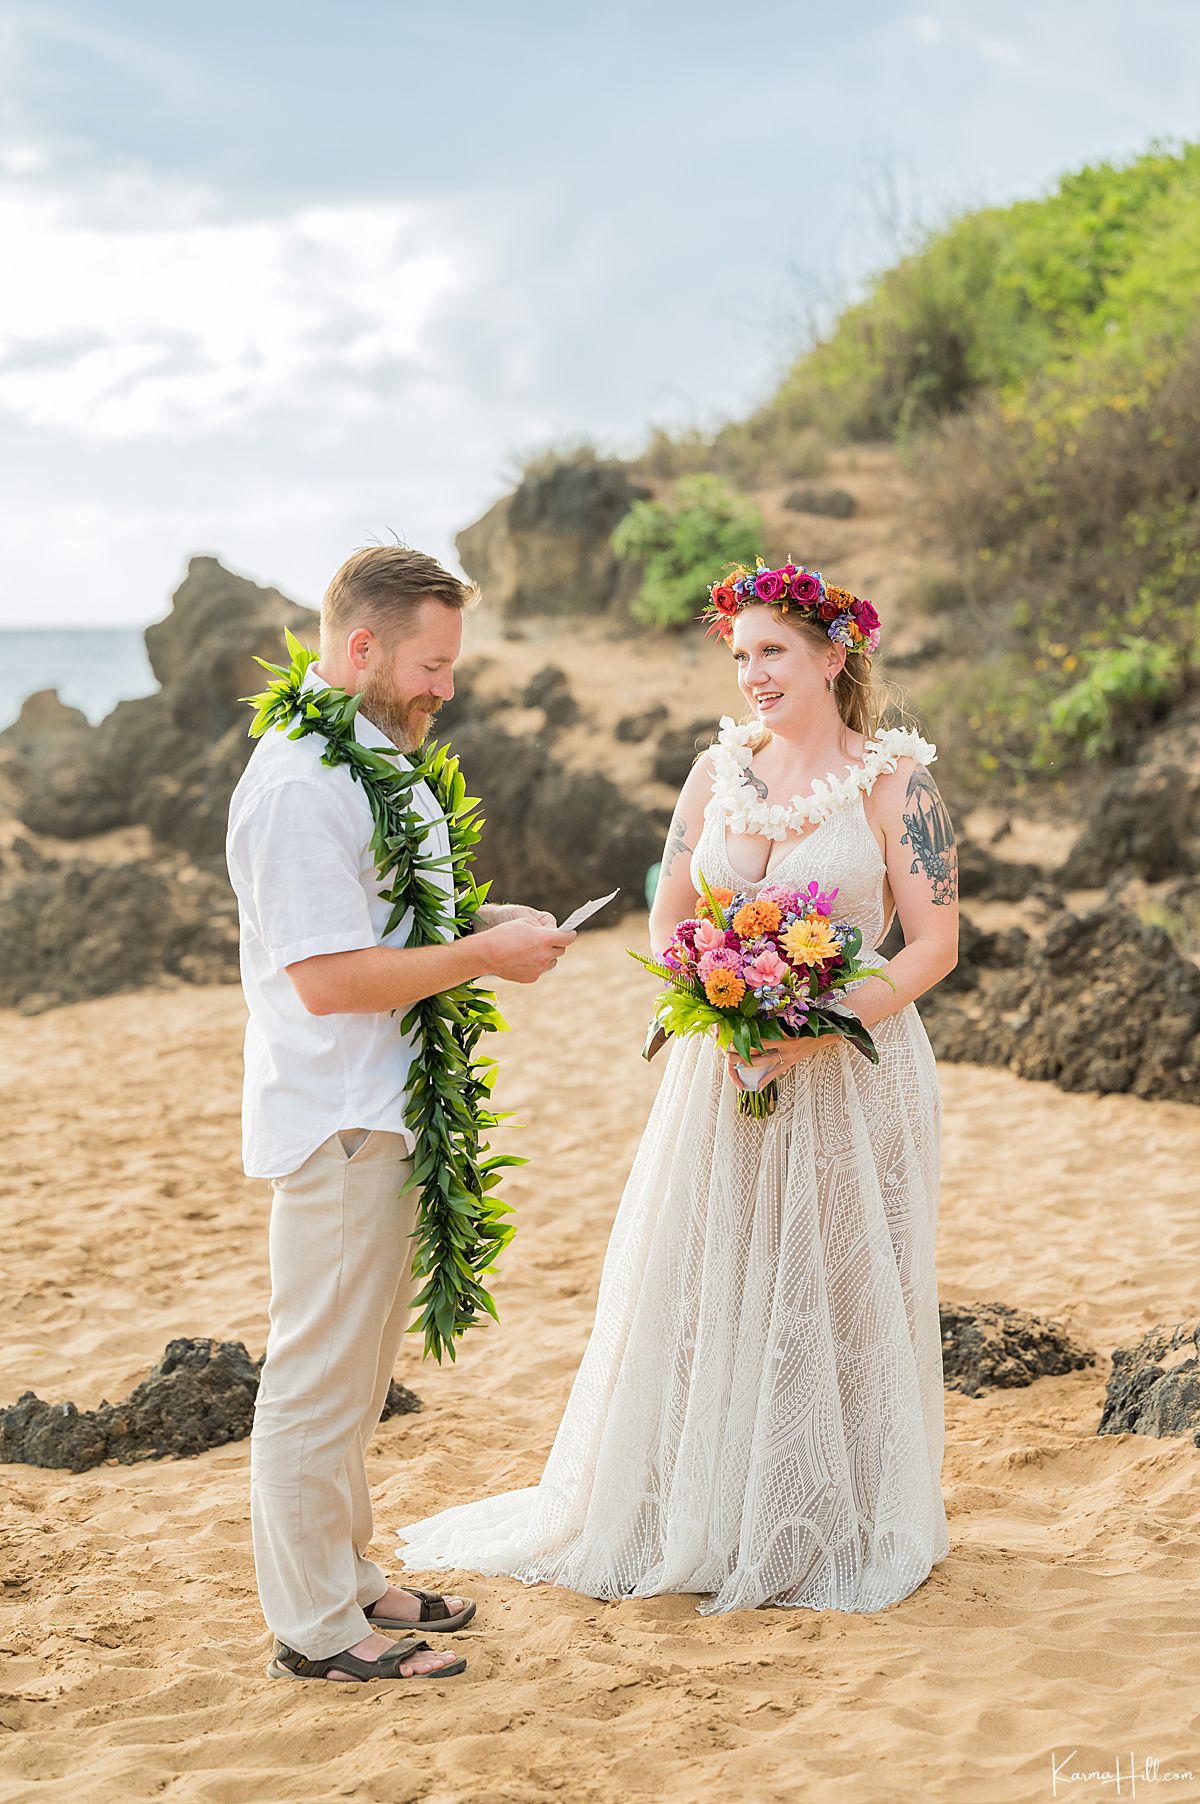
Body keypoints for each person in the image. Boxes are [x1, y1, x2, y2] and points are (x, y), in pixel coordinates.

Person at [394, 559, 958, 1615]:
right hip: (720, 1068)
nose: (752, 674)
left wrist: (815, 1024)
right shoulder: (717, 772)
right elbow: (668, 916)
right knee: (714, 1275)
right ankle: (706, 1505)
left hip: (852, 1073)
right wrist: (707, 994)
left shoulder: (897, 780)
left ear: (835, 656)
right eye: (741, 655)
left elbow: (932, 946)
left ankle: (828, 1517)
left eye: (774, 652)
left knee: (836, 1287)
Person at [226, 545, 576, 1682]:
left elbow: (390, 924)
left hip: (386, 1109)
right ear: (362, 646)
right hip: (338, 1120)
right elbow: (327, 977)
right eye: (430, 664)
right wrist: (483, 955)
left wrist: (486, 921)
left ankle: (352, 1574)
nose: (445, 688)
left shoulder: (375, 760)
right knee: (315, 1384)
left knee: (359, 1377)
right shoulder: (298, 783)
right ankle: (318, 1632)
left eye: (452, 666)